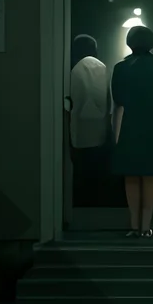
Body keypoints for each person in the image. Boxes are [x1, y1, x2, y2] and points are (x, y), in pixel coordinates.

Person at [110, 25, 153, 237]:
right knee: (149, 175)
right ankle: (146, 226)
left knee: (131, 175)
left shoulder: (121, 68)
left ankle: (134, 224)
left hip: (131, 125)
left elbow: (118, 100)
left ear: (130, 42)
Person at [66, 33, 110, 207]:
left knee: (80, 176)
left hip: (78, 132)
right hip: (100, 132)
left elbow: (74, 100)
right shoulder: (103, 67)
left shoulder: (75, 68)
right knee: (97, 176)